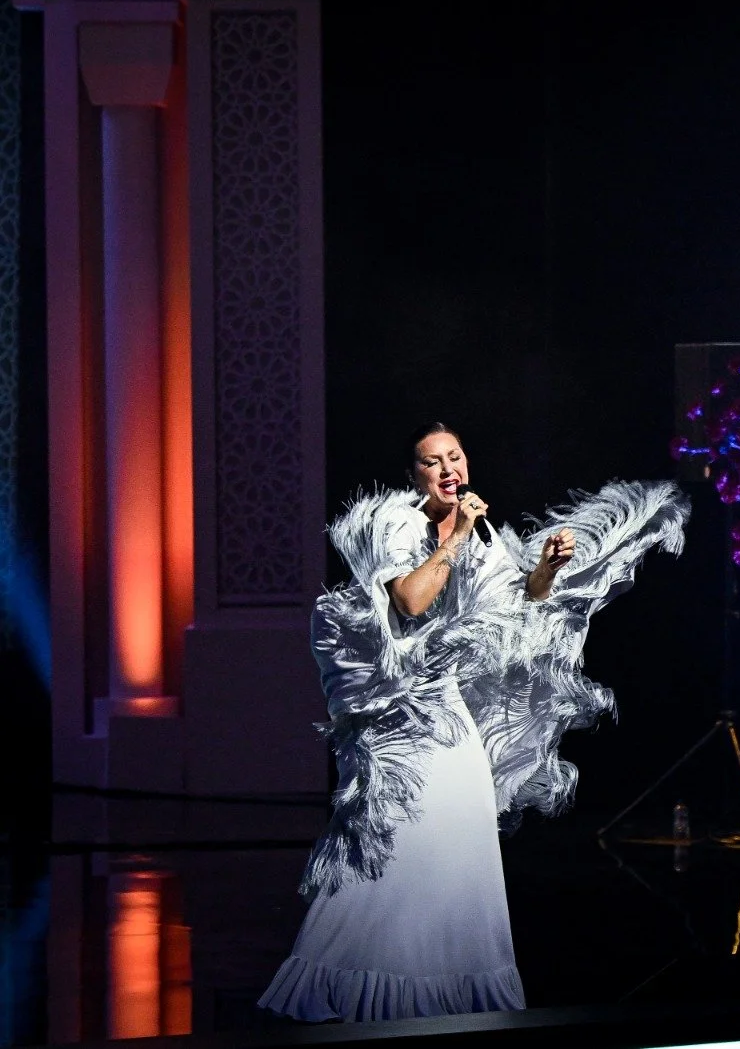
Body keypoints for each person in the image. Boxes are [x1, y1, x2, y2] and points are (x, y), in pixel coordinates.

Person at [258, 423, 689, 1022]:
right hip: (394, 703)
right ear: (413, 476)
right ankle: (356, 983)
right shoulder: (394, 522)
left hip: (443, 701)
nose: (447, 470)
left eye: (454, 457)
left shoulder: (477, 532)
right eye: (431, 463)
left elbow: (517, 606)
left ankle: (456, 990)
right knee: (394, 832)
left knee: (463, 831)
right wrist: (456, 536)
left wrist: (543, 569)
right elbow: (409, 601)